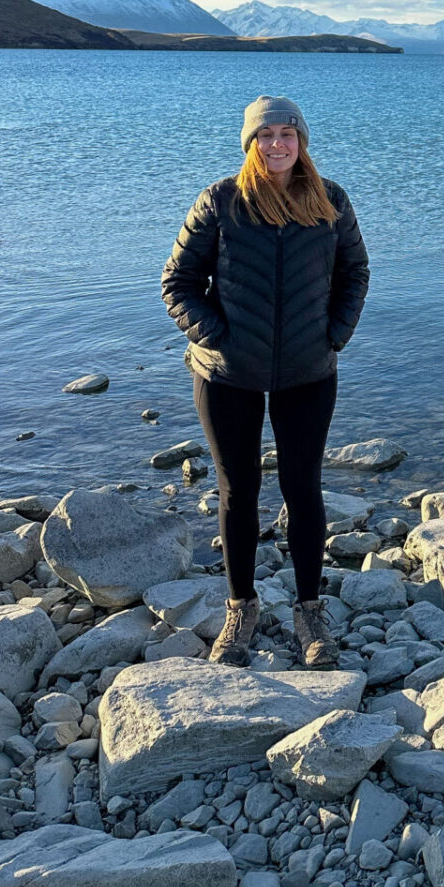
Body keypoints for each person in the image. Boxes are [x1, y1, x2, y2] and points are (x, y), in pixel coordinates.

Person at [161, 95, 370, 667]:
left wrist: (333, 336)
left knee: (303, 489)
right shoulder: (222, 202)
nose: (278, 144)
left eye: (288, 133)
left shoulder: (331, 202)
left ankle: (309, 613)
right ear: (250, 142)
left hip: (308, 371)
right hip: (228, 374)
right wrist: (217, 337)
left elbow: (355, 273)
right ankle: (241, 608)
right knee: (239, 491)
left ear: (302, 140)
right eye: (266, 134)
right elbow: (177, 282)